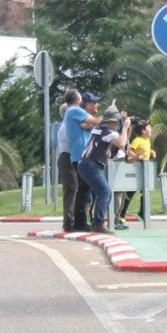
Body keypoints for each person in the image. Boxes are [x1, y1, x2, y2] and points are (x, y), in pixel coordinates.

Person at [76, 106, 131, 233]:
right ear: (111, 121)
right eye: (116, 122)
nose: (117, 124)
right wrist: (125, 127)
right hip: (90, 164)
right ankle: (98, 224)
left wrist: (126, 126)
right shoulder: (106, 131)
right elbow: (121, 143)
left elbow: (122, 143)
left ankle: (97, 222)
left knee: (104, 193)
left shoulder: (99, 128)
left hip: (86, 164)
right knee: (105, 192)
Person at [59, 91, 98, 232]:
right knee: (75, 189)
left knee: (81, 188)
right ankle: (73, 222)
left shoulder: (70, 120)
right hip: (70, 157)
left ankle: (75, 221)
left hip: (73, 156)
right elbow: (72, 140)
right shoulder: (70, 119)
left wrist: (85, 126)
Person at [113, 116, 152, 227]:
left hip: (143, 171)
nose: (151, 129)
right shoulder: (138, 140)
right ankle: (121, 215)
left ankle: (142, 212)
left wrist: (151, 152)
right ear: (143, 131)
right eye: (149, 127)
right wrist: (138, 156)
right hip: (135, 171)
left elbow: (144, 151)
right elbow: (130, 151)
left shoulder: (146, 141)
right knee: (128, 194)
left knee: (144, 191)